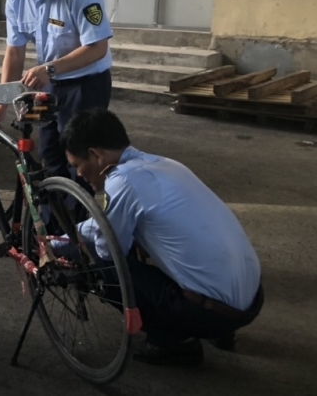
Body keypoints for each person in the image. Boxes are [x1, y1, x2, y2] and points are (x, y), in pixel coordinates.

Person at [60, 108, 263, 367]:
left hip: (214, 313)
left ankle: (176, 343)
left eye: (77, 165)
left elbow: (108, 247)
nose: (78, 174)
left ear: (96, 155)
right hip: (252, 299)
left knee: (104, 267)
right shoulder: (165, 164)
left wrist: (64, 244)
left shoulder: (123, 181)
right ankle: (221, 332)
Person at [0, 0, 113, 183]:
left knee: (78, 164)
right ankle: (51, 211)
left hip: (85, 87)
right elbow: (15, 52)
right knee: (48, 156)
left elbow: (97, 48)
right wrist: (2, 102)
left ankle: (79, 211)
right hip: (49, 86)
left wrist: (49, 68)